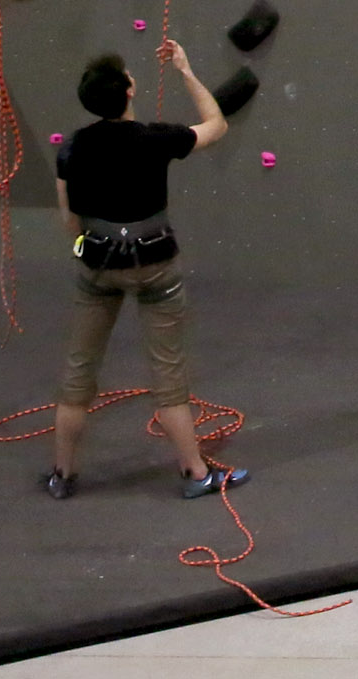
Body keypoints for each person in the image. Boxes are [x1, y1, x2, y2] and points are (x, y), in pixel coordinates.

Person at [44, 38, 243, 500]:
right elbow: (216, 125)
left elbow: (69, 217)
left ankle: (62, 474)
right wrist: (186, 71)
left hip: (98, 266)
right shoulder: (157, 138)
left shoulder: (73, 148)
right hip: (156, 266)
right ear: (129, 89)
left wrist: (89, 246)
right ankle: (195, 474)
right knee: (169, 374)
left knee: (79, 373)